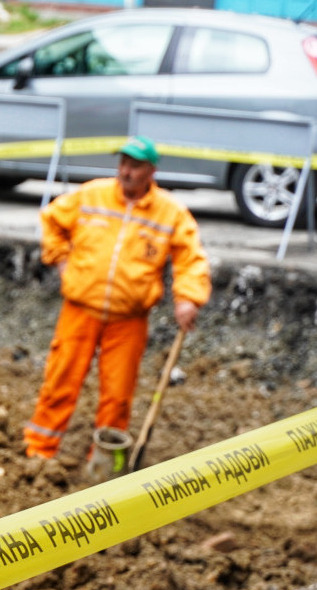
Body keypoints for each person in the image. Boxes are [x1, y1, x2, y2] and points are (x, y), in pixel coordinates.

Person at [23, 135, 211, 462]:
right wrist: (61, 260)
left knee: (118, 395)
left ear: (151, 170)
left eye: (135, 166)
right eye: (123, 163)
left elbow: (190, 257)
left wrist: (188, 298)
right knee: (60, 382)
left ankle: (107, 462)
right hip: (80, 310)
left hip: (129, 319)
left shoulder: (170, 213)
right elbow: (52, 220)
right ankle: (39, 451)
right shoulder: (91, 195)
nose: (125, 171)